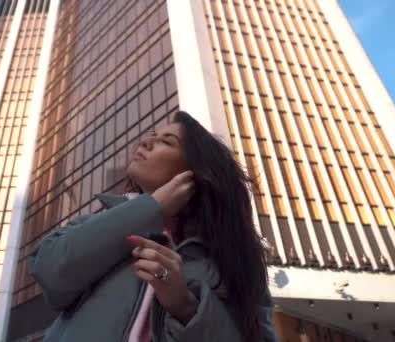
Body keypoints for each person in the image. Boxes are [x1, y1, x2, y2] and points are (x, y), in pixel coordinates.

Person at [29, 111, 277, 341]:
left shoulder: (235, 258)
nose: (145, 142)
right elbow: (47, 268)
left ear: (194, 173)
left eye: (167, 142)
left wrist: (185, 306)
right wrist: (153, 207)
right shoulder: (103, 219)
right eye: (151, 137)